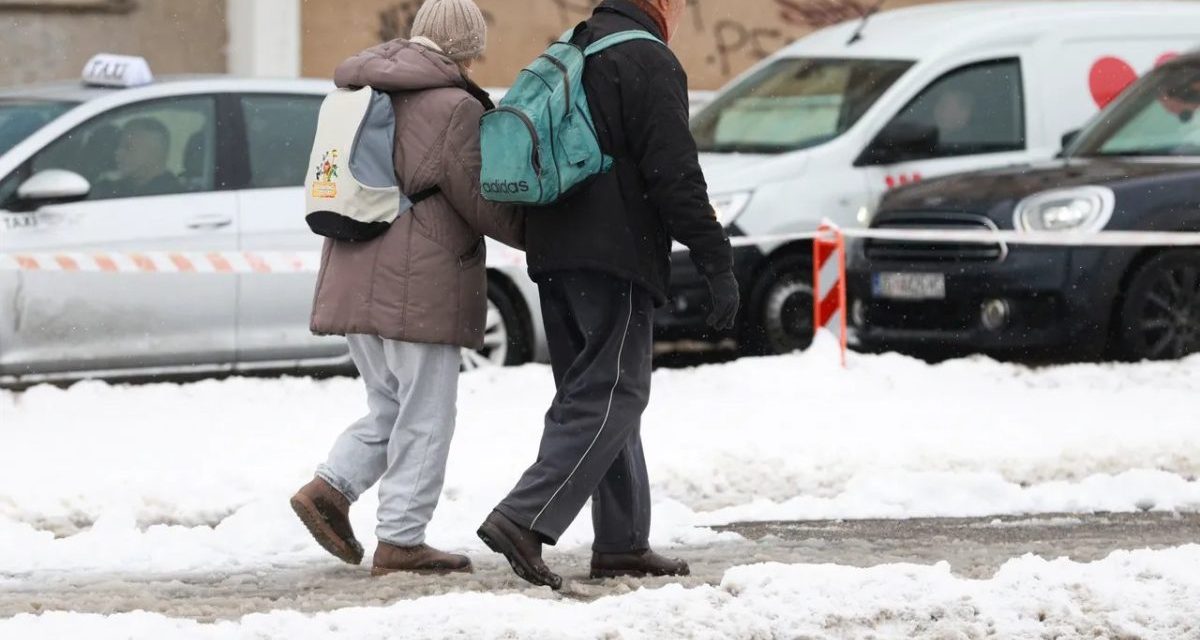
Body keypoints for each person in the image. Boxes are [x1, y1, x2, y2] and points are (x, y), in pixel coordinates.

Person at [477, 0, 738, 589]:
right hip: (612, 252)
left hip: (553, 246)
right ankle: (524, 517)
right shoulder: (647, 60)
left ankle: (622, 542)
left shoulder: (572, 47)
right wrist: (716, 260)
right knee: (615, 391)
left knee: (591, 394)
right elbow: (675, 172)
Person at [291, 0, 524, 577]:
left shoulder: (359, 91)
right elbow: (483, 199)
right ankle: (401, 540)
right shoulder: (452, 106)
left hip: (352, 267)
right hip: (419, 280)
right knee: (426, 413)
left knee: (390, 405)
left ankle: (329, 489)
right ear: (467, 46)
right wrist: (548, 238)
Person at [92, 118, 181, 198]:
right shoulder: (110, 189)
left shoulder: (174, 195)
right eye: (119, 146)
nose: (118, 153)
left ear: (155, 153)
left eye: (128, 147)